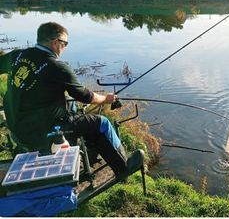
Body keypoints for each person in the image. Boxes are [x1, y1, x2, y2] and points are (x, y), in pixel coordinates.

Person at [0, 22, 143, 177]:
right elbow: (86, 96)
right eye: (65, 43)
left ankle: (82, 145)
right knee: (102, 123)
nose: (65, 47)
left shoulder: (17, 55)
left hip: (16, 124)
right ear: (55, 43)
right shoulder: (57, 67)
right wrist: (107, 99)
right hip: (43, 130)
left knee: (70, 101)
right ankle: (124, 168)